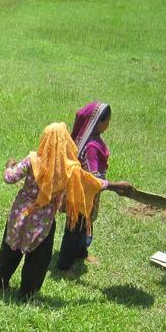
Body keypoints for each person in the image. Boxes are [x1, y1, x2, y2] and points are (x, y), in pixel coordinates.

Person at [0, 122, 132, 300]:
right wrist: (114, 186)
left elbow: (9, 178)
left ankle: (1, 283)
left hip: (19, 216)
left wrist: (9, 165)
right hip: (42, 224)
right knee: (38, 259)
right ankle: (27, 294)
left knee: (10, 249)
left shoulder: (32, 160)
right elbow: (90, 181)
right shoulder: (68, 170)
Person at [56, 102, 112, 273]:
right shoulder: (92, 147)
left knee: (83, 224)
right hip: (83, 194)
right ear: (99, 122)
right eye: (107, 120)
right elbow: (93, 175)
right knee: (75, 228)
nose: (109, 123)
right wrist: (109, 185)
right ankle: (64, 265)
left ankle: (81, 252)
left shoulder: (85, 140)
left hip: (82, 192)